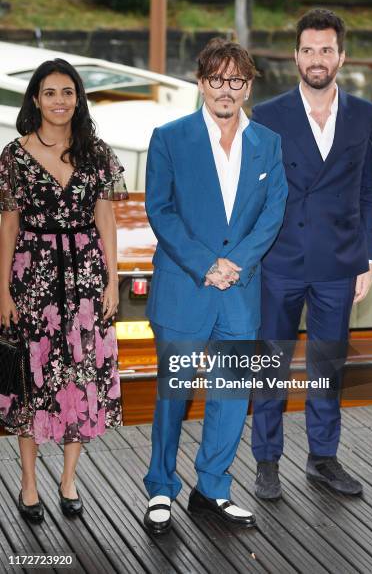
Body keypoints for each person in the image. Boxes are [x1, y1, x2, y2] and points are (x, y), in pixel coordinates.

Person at [143, 37, 288, 534]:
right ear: (202, 82)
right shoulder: (169, 137)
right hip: (186, 287)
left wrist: (235, 264)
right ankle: (161, 488)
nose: (228, 90)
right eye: (218, 79)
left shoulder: (268, 143)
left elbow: (273, 214)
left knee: (231, 395)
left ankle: (212, 489)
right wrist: (207, 264)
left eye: (238, 80)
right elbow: (159, 210)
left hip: (240, 292)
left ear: (248, 86)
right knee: (173, 396)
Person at [251, 9, 372, 499]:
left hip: (338, 264)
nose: (316, 58)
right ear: (296, 57)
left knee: (328, 366)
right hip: (279, 262)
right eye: (308, 49)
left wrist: (367, 258)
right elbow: (255, 194)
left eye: (326, 49)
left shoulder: (365, 114)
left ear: (341, 56)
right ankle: (267, 462)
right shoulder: (267, 114)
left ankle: (322, 459)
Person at [0, 58, 128, 523]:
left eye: (67, 92)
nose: (59, 101)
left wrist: (112, 281)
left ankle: (69, 480)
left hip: (85, 281)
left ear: (78, 98)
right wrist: (3, 292)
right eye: (50, 92)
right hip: (31, 279)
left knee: (79, 377)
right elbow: (8, 225)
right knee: (31, 383)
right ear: (35, 98)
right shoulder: (14, 156)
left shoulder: (97, 154)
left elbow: (106, 221)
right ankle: (28, 483)